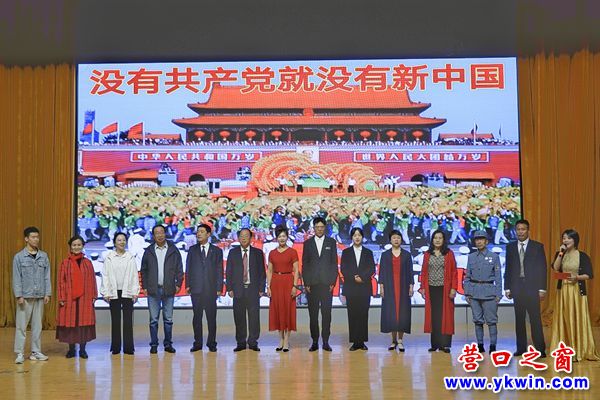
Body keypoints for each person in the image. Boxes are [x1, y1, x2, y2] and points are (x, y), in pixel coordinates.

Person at [550, 229, 599, 361]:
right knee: (564, 318)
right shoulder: (560, 253)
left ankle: (579, 349)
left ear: (575, 240)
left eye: (568, 238)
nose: (565, 240)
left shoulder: (582, 256)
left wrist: (577, 277)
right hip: (563, 291)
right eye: (564, 238)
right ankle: (565, 348)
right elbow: (555, 269)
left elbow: (589, 275)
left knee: (576, 318)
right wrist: (560, 254)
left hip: (577, 291)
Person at [503, 219, 547, 357]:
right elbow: (508, 268)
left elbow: (542, 268)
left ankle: (540, 349)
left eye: (523, 229)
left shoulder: (537, 247)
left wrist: (542, 288)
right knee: (519, 320)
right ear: (515, 231)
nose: (520, 232)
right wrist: (507, 287)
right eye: (518, 229)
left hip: (532, 288)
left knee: (535, 319)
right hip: (517, 288)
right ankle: (521, 348)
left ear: (528, 230)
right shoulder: (510, 247)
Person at [140, 224, 183, 354]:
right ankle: (154, 344)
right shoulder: (149, 251)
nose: (159, 235)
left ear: (165, 234)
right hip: (153, 290)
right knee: (153, 320)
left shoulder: (173, 250)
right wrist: (144, 286)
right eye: (157, 233)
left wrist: (178, 284)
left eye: (161, 232)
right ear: (153, 236)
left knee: (168, 319)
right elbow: (144, 270)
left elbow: (179, 269)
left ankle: (168, 344)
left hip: (169, 289)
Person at [13, 227, 51, 364]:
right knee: (21, 326)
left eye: (37, 237)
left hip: (40, 296)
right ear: (26, 239)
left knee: (37, 326)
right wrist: (19, 295)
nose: (36, 239)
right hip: (25, 296)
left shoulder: (43, 256)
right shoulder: (19, 257)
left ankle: (36, 351)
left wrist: (47, 293)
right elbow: (17, 277)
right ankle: (20, 353)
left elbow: (47, 276)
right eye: (33, 237)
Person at [56, 235, 97, 359]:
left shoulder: (87, 263)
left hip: (85, 298)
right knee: (71, 323)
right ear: (70, 247)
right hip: (70, 298)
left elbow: (92, 280)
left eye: (79, 245)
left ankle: (83, 350)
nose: (76, 247)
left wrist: (94, 295)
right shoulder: (65, 263)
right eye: (74, 245)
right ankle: (71, 349)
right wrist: (61, 297)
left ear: (82, 246)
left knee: (83, 324)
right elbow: (61, 281)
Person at [302, 217, 339, 352]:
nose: (319, 229)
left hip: (326, 284)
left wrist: (332, 282)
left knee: (326, 314)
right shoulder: (308, 243)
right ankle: (314, 341)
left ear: (325, 228)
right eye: (317, 227)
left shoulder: (331, 242)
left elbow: (334, 263)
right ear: (314, 228)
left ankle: (326, 341)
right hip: (312, 285)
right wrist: (306, 282)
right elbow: (305, 264)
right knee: (313, 315)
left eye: (322, 227)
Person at [226, 228, 266, 352]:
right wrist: (229, 288)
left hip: (253, 290)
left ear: (251, 238)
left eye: (246, 236)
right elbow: (229, 271)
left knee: (254, 317)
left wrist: (261, 288)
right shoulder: (233, 253)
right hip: (238, 290)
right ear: (238, 238)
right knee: (239, 317)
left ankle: (253, 341)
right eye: (241, 236)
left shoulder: (258, 253)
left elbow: (262, 272)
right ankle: (241, 342)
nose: (244, 238)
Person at [100, 232, 140, 355]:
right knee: (115, 320)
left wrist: (135, 292)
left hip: (127, 291)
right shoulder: (109, 257)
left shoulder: (130, 257)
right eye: (119, 240)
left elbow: (134, 275)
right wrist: (106, 292)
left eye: (123, 240)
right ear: (114, 243)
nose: (122, 242)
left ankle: (128, 348)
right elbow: (105, 275)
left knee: (128, 320)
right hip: (113, 292)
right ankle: (115, 347)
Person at [186, 224, 224, 353]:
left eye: (202, 232)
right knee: (197, 317)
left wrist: (219, 287)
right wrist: (188, 285)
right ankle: (197, 343)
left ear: (208, 234)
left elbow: (219, 270)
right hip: (196, 289)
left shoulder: (217, 251)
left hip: (211, 289)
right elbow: (188, 268)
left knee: (211, 318)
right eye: (198, 232)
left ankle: (211, 343)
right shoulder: (192, 250)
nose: (198, 234)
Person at [463, 230, 502, 353]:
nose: (479, 242)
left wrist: (498, 294)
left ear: (486, 241)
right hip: (474, 293)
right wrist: (467, 293)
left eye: (481, 239)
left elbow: (498, 277)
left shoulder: (494, 257)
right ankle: (480, 345)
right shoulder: (471, 257)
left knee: (491, 321)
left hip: (489, 292)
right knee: (477, 320)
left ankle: (493, 346)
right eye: (477, 239)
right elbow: (467, 276)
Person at [419, 229, 457, 353]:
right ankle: (435, 344)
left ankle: (445, 345)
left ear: (444, 240)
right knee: (434, 317)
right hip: (431, 289)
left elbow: (454, 272)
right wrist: (423, 288)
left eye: (440, 238)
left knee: (446, 316)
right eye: (435, 238)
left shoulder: (449, 253)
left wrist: (453, 288)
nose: (437, 240)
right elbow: (424, 272)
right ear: (432, 240)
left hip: (445, 289)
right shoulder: (427, 254)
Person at [379, 230, 414, 352]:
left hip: (403, 287)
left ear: (401, 240)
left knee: (402, 314)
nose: (396, 240)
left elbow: (410, 272)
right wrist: (381, 287)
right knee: (391, 314)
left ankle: (400, 340)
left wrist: (411, 286)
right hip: (389, 287)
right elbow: (382, 272)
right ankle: (393, 340)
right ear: (390, 240)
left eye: (398, 238)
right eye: (394, 237)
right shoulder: (385, 255)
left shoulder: (407, 255)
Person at [340, 227, 375, 351]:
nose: (357, 237)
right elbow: (343, 268)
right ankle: (355, 342)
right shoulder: (346, 252)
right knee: (353, 314)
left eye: (359, 235)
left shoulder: (368, 252)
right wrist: (354, 277)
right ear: (352, 237)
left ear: (362, 237)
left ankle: (362, 341)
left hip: (364, 287)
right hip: (351, 287)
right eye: (355, 235)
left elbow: (372, 268)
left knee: (363, 314)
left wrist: (362, 277)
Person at [267, 226, 299, 352]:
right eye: (280, 236)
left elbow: (296, 270)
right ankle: (280, 338)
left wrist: (295, 286)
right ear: (276, 238)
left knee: (288, 310)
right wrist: (268, 287)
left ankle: (286, 340)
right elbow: (270, 271)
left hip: (288, 282)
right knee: (278, 310)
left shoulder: (292, 252)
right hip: (276, 283)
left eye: (284, 236)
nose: (282, 238)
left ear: (287, 237)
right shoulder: (272, 253)